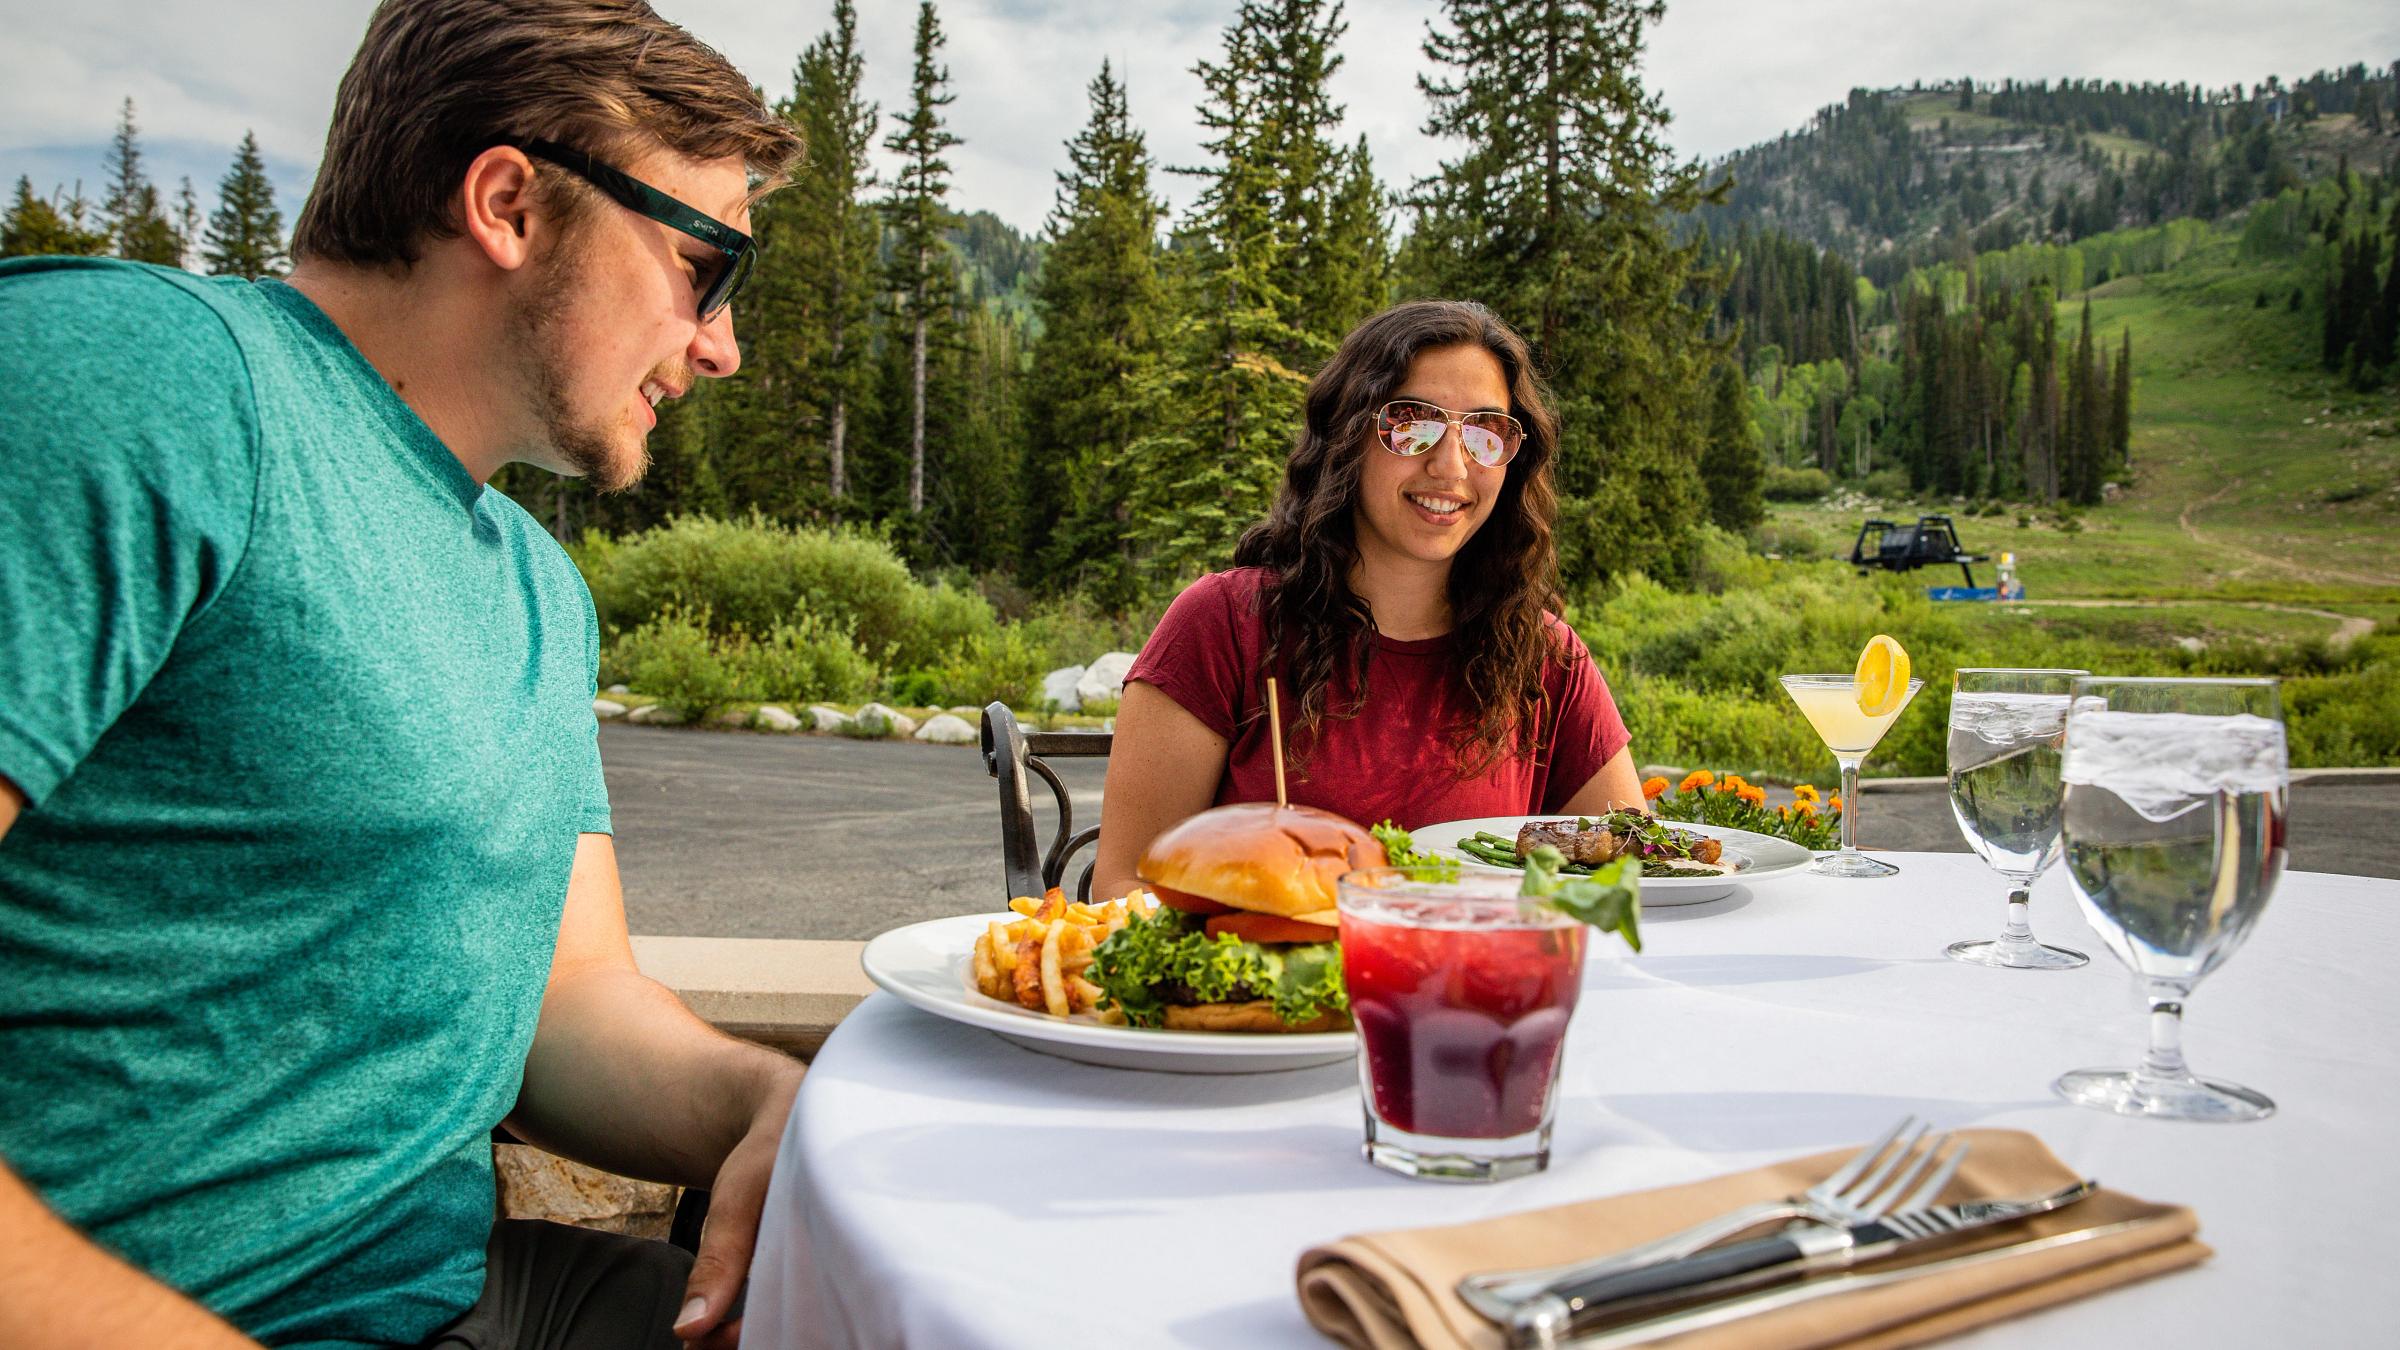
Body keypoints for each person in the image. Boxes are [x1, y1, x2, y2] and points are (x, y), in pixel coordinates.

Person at [0, 3, 805, 1346]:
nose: (719, 343)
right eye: (702, 264)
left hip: (456, 1290)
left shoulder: (538, 589)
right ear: (510, 203)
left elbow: (566, 1006)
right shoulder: (141, 381)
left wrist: (762, 1102)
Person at [1090, 300, 1645, 903]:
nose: (1451, 465)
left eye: (1486, 431)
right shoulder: (1224, 625)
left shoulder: (1547, 661)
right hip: (1271, 991)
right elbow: (1123, 885)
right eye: (1412, 422)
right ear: (1348, 434)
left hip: (1467, 992)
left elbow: (1632, 876)